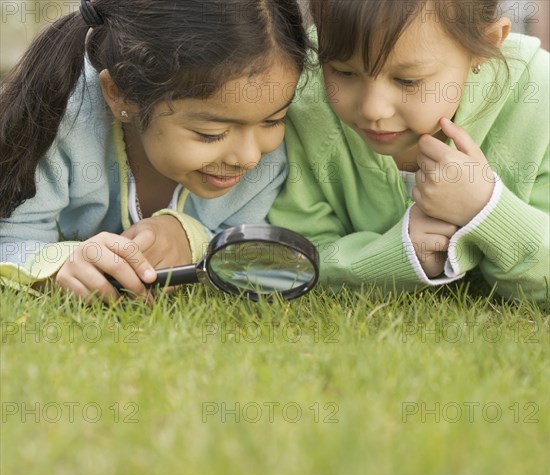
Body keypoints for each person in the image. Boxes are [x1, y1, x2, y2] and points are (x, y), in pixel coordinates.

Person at [0, 0, 308, 302]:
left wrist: (190, 237)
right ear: (118, 95)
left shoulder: (269, 156)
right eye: (210, 134)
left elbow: (257, 250)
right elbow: (10, 240)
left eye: (273, 120)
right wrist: (62, 264)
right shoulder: (61, 121)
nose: (249, 157)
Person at [269, 0, 549, 302]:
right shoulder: (305, 94)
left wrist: (487, 208)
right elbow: (293, 257)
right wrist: (398, 255)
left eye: (408, 80)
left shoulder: (538, 99)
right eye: (344, 72)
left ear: (486, 45)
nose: (373, 109)